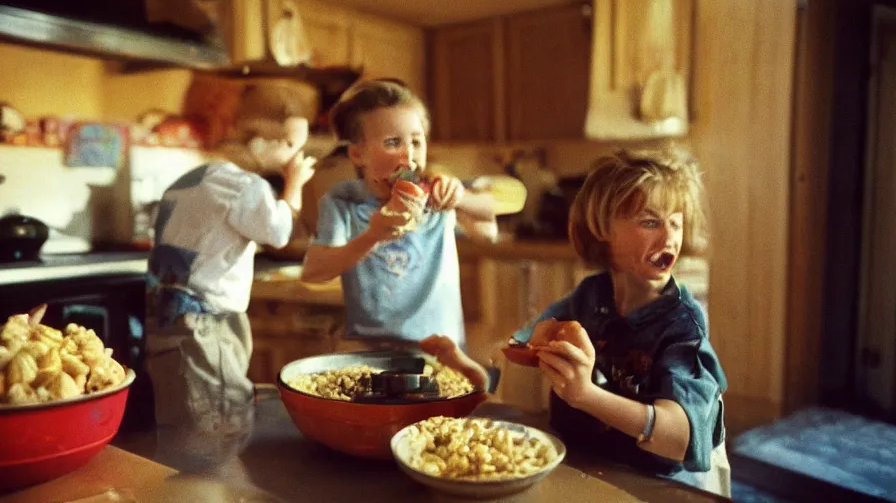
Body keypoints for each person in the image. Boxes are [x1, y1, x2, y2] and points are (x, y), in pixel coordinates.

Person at [437, 148, 730, 496]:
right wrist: (468, 369)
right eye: (650, 222)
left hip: (653, 484)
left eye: (676, 222)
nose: (669, 238)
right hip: (585, 464)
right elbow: (518, 349)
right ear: (603, 228)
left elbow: (680, 438)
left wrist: (586, 396)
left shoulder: (683, 325)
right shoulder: (590, 295)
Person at [144, 83, 317, 474]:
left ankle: (180, 482)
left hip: (165, 314)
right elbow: (280, 232)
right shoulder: (245, 186)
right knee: (218, 409)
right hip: (209, 319)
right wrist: (294, 185)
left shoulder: (188, 180)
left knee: (180, 408)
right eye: (289, 145)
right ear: (259, 140)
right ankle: (213, 485)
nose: (295, 156)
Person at [300, 79, 498, 357]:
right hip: (369, 350)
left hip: (441, 350)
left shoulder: (435, 190)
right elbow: (314, 272)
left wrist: (461, 197)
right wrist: (372, 236)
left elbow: (488, 229)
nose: (409, 156)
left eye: (416, 142)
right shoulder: (343, 201)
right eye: (393, 142)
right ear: (358, 153)